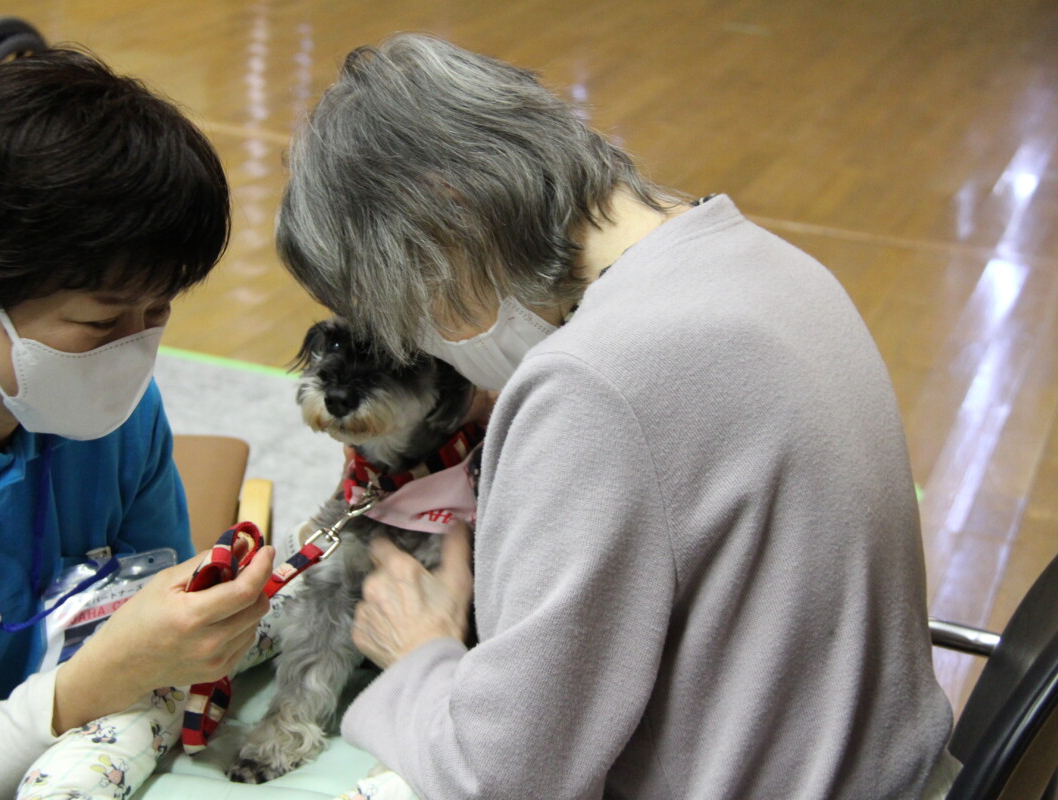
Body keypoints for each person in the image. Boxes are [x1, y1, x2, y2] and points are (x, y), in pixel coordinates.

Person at [274, 33, 960, 799]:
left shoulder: (591, 384)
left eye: (405, 312)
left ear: (448, 216)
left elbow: (501, 779)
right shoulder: (770, 262)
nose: (425, 345)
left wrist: (421, 655)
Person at [0, 50, 273, 799]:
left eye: (158, 312)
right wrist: (99, 679)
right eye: (100, 323)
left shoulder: (106, 404)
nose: (133, 353)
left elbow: (153, 609)